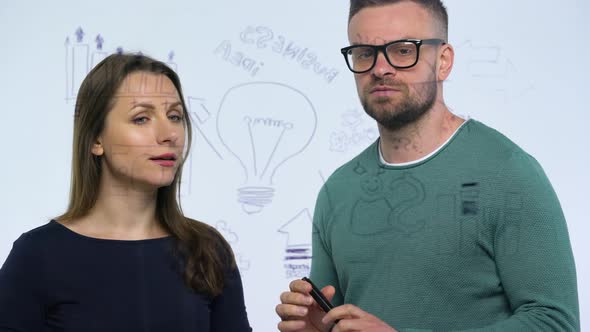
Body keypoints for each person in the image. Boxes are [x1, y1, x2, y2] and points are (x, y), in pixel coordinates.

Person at [276, 0, 579, 331]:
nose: (380, 68)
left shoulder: (508, 173)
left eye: (403, 50)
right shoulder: (337, 191)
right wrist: (317, 328)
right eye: (364, 53)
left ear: (444, 61)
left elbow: (555, 322)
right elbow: (336, 322)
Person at [0, 54, 252, 331]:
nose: (169, 133)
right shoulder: (38, 255)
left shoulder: (207, 250)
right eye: (141, 118)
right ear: (96, 139)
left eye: (175, 116)